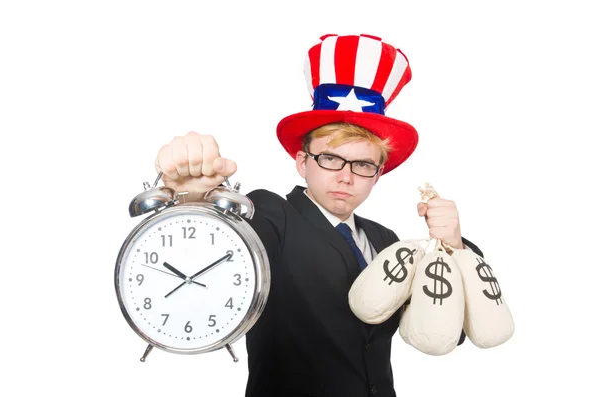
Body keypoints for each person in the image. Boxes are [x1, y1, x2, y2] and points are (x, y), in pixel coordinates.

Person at [155, 34, 482, 397]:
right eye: (330, 158)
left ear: (378, 174)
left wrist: (453, 248)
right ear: (302, 162)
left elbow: (446, 331)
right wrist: (194, 195)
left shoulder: (385, 241)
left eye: (362, 164)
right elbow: (217, 254)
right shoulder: (270, 214)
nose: (345, 175)